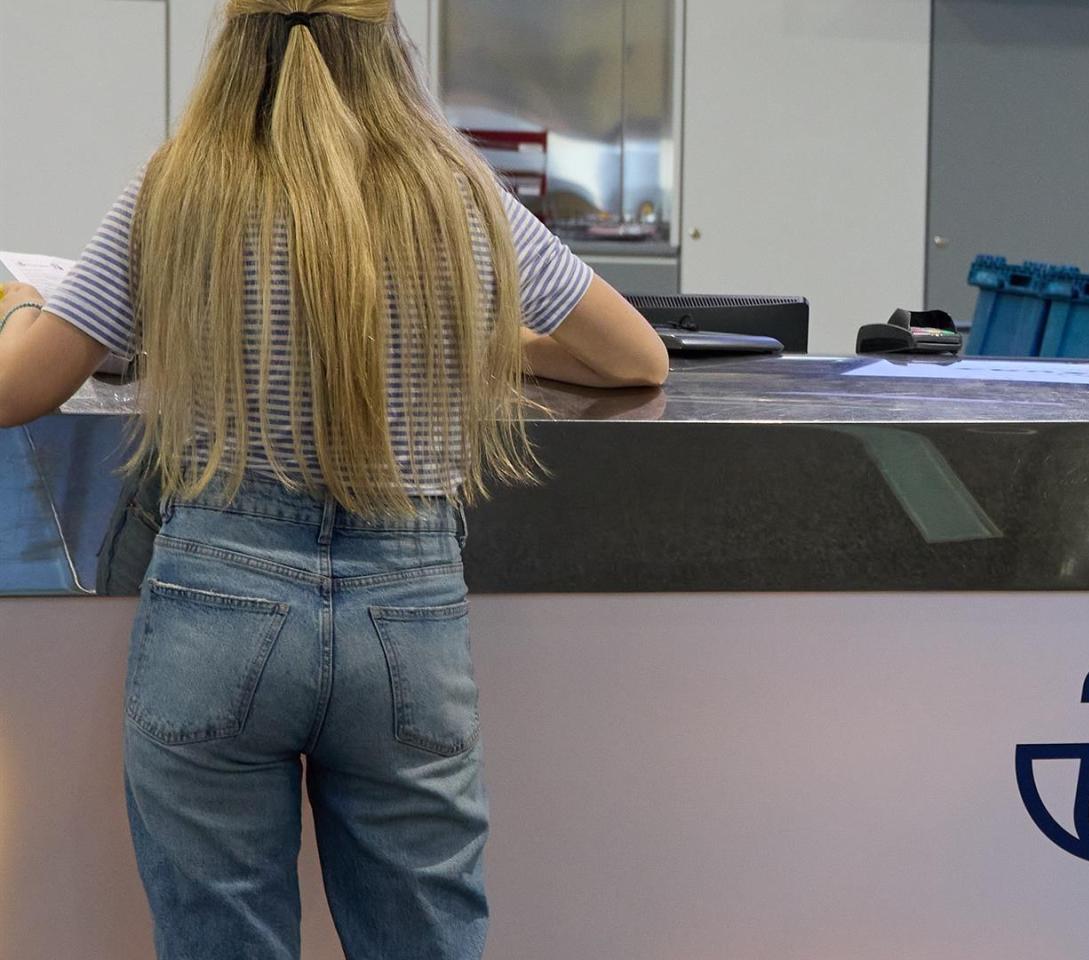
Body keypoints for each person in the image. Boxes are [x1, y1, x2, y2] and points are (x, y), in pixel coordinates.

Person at [0, 2, 668, 957]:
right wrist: (469, 333)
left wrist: (20, 306)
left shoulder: (176, 186)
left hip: (216, 599)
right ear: (388, 42)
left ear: (235, 41)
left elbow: (17, 389)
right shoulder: (453, 188)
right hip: (408, 608)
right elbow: (636, 360)